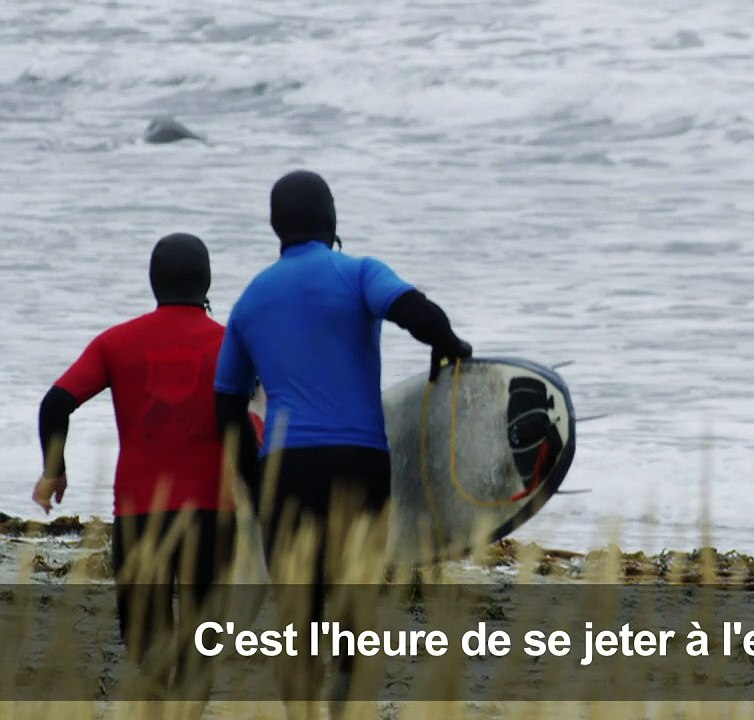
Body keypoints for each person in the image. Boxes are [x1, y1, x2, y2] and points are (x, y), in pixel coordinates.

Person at [213, 169, 472, 706]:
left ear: (274, 225)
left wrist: (252, 480)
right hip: (359, 463)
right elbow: (414, 310)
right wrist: (447, 342)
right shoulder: (358, 272)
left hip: (286, 469)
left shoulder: (251, 300)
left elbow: (226, 404)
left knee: (297, 609)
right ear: (331, 218)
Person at [35, 232, 246, 693]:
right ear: (206, 281)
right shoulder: (234, 346)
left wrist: (54, 472)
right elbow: (257, 423)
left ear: (153, 281)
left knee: (145, 643)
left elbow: (55, 404)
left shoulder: (115, 343)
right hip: (213, 516)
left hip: (139, 512)